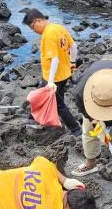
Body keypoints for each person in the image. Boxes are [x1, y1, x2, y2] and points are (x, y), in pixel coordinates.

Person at [23, 8, 81, 136]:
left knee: (59, 104)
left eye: (33, 27)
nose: (34, 31)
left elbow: (54, 58)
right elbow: (73, 46)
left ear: (38, 20)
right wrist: (72, 63)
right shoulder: (58, 27)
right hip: (63, 73)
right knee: (40, 93)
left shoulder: (48, 34)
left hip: (55, 77)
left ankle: (76, 130)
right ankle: (33, 117)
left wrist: (50, 81)